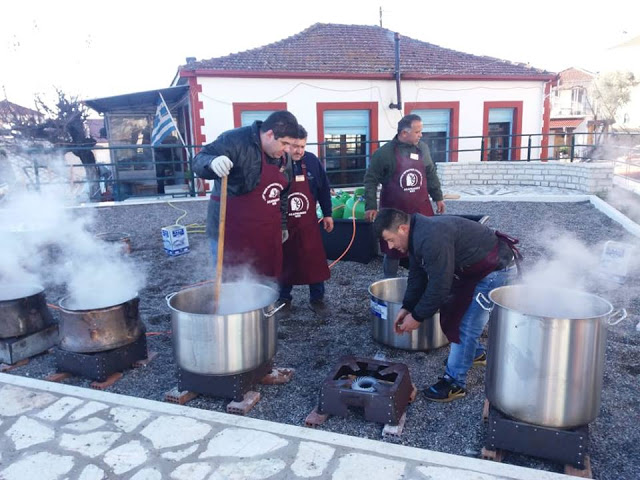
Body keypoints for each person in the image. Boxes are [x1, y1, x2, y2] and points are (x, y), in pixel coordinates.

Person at [373, 208, 522, 402]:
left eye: (390, 239)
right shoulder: (417, 233)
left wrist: (417, 317)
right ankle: (474, 353)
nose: (391, 246)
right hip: (474, 268)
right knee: (455, 311)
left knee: (466, 325)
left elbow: (439, 285)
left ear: (402, 228)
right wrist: (407, 306)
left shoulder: (431, 238)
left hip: (495, 271)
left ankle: (454, 382)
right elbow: (417, 275)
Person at [193, 111, 298, 279]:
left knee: (265, 280)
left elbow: (282, 193)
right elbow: (199, 159)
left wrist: (283, 224)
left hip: (265, 233)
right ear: (270, 134)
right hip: (230, 232)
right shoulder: (234, 140)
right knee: (228, 281)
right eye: (284, 143)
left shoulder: (284, 157)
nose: (287, 150)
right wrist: (211, 162)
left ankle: (266, 305)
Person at [364, 114, 446, 278]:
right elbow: (370, 180)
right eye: (417, 132)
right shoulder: (384, 153)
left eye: (421, 131)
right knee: (393, 250)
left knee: (423, 243)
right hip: (395, 210)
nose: (421, 135)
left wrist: (438, 197)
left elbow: (430, 173)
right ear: (404, 133)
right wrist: (371, 206)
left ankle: (423, 278)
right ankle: (389, 282)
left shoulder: (422, 148)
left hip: (420, 207)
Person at [279, 125, 334, 311]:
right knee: (285, 260)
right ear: (286, 144)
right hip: (284, 224)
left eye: (302, 146)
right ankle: (283, 298)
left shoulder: (311, 161)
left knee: (314, 258)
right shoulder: (277, 162)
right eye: (295, 146)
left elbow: (324, 188)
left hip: (309, 222)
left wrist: (328, 214)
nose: (299, 151)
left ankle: (317, 297)